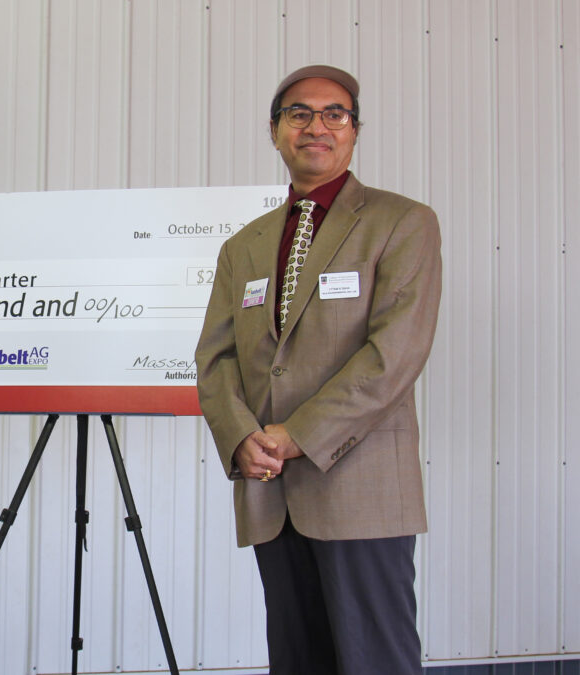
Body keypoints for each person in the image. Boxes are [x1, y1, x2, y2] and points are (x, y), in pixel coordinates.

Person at [195, 65, 442, 674]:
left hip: (360, 485)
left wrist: (295, 434)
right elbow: (216, 357)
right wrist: (240, 437)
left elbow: (395, 355)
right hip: (269, 488)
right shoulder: (243, 246)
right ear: (274, 131)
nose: (317, 126)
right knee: (297, 659)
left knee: (373, 659)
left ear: (355, 131)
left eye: (336, 114)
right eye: (298, 113)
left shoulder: (402, 222)